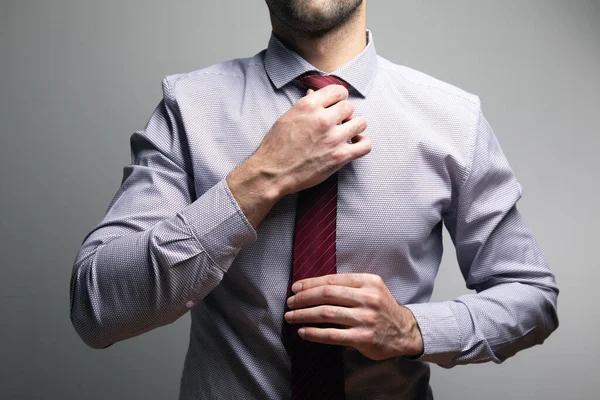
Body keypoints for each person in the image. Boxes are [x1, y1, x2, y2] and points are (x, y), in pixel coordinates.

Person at [69, 1, 559, 399]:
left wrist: (413, 329)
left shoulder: (453, 118)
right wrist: (258, 180)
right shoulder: (188, 107)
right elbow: (98, 309)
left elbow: (532, 296)